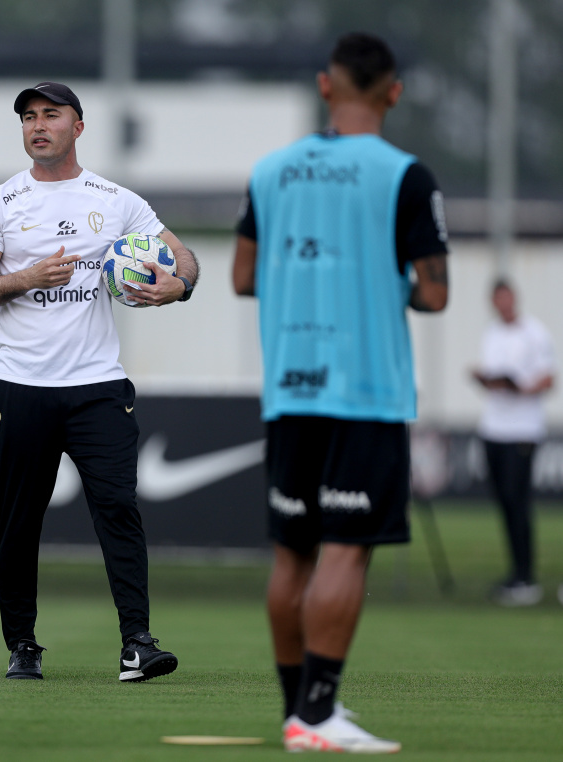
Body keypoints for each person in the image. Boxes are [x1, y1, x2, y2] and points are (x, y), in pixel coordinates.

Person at [232, 33, 449, 753]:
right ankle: (319, 715)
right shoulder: (404, 175)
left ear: (325, 86)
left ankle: (298, 713)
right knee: (345, 550)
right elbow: (434, 292)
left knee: (291, 553)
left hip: (289, 387)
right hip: (363, 389)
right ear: (392, 91)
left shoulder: (270, 170)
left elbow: (241, 277)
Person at [0, 81, 199, 681]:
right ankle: (22, 645)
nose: (38, 124)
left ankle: (137, 644)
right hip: (20, 388)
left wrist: (181, 285)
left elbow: (182, 256)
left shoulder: (115, 200)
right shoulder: (1, 203)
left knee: (118, 507)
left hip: (97, 387)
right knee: (19, 521)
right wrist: (27, 277)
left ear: (78, 126)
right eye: (29, 117)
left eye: (51, 114)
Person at [471, 279, 555, 606]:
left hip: (522, 429)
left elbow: (548, 378)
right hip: (493, 427)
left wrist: (519, 389)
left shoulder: (535, 333)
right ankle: (516, 574)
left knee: (517, 500)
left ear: (514, 299)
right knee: (504, 502)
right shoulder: (491, 333)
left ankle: (526, 577)